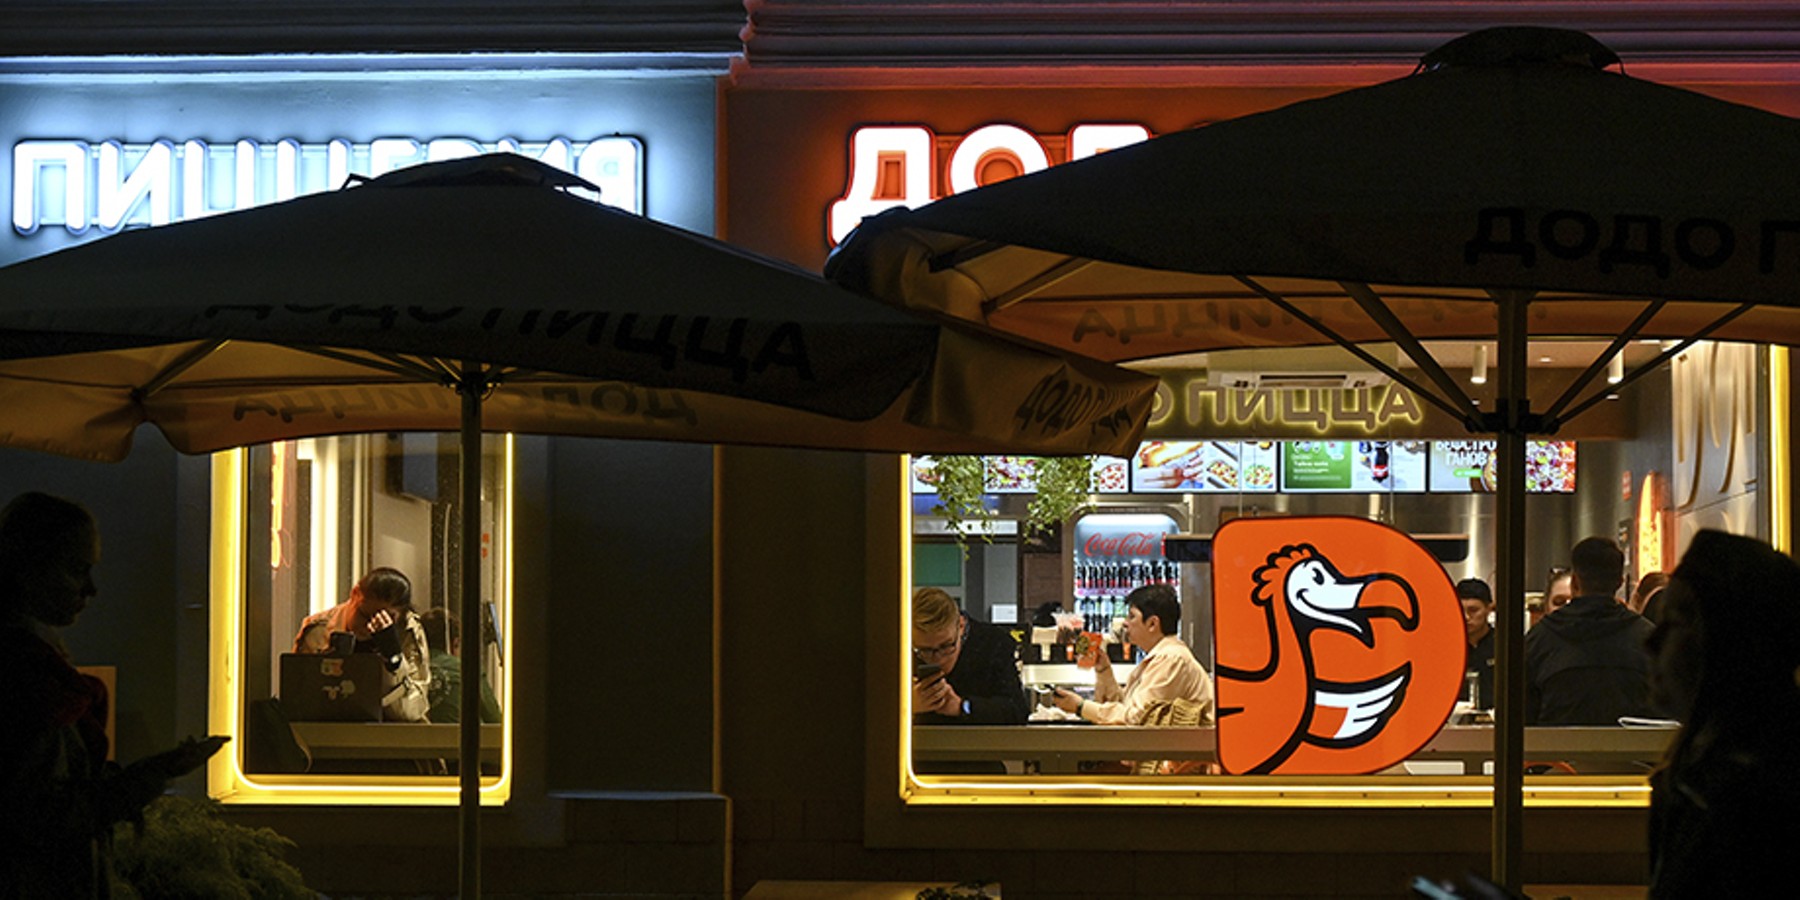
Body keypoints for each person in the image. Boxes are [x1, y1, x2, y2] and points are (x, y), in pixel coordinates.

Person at [0, 491, 227, 898]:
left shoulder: (37, 671)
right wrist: (148, 777)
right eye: (76, 569)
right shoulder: (29, 680)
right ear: (29, 567)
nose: (91, 589)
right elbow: (42, 817)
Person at [1645, 530, 1800, 897]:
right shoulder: (1700, 776)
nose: (1651, 642)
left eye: (1676, 622)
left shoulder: (1749, 802)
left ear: (1728, 642)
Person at [1523, 537, 1656, 726]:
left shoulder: (1539, 639)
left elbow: (1522, 718)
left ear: (1575, 582)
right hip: (1631, 746)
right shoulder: (1648, 638)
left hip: (1555, 745)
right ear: (1619, 582)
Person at [1051, 583, 1215, 727]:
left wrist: (1080, 707)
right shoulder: (1161, 656)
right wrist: (1104, 671)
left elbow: (1137, 718)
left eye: (1132, 616)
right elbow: (1126, 707)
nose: (1125, 623)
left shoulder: (1171, 659)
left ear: (1152, 624)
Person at [294, 566, 431, 722]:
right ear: (354, 594)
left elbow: (413, 711)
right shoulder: (319, 628)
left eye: (382, 619)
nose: (369, 626)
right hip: (330, 728)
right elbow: (301, 699)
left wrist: (393, 659)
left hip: (390, 730)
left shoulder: (408, 631)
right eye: (364, 615)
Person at [911, 587, 1027, 726]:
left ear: (961, 625)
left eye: (947, 646)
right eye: (925, 650)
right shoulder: (898, 649)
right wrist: (906, 705)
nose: (938, 659)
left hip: (979, 739)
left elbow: (1016, 713)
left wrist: (961, 706)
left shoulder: (993, 643)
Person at [418, 607, 501, 724]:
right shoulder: (468, 669)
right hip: (461, 735)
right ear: (456, 642)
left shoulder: (410, 669)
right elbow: (494, 720)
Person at [1458, 577, 1496, 710]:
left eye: (1473, 610)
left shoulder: (1503, 645)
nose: (1466, 617)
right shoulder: (1446, 647)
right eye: (1460, 610)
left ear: (1488, 609)